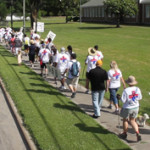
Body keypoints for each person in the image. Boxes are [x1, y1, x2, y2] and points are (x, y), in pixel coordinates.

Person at [119, 75, 142, 142]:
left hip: (127, 107)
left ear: (128, 83)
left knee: (125, 120)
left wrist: (119, 97)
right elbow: (140, 97)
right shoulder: (137, 89)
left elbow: (123, 100)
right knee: (133, 120)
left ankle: (124, 133)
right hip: (136, 106)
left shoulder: (126, 90)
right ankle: (137, 133)